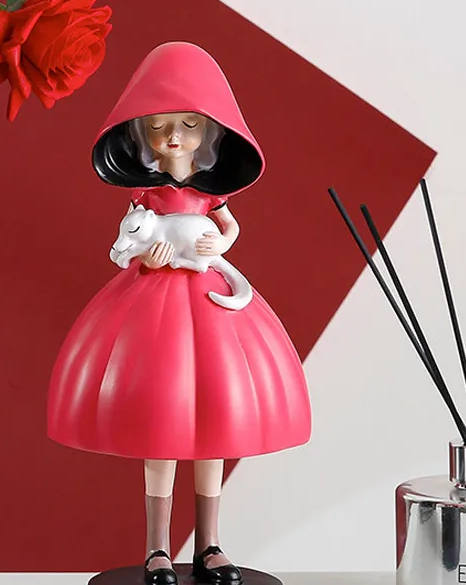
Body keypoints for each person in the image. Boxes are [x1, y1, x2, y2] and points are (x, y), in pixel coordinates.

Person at [48, 42, 311, 585]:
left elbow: (229, 227)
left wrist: (221, 246)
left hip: (209, 299)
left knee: (212, 427)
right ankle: (157, 549)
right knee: (160, 430)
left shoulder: (211, 194)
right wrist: (148, 257)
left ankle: (209, 544)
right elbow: (128, 241)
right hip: (155, 306)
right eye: (161, 126)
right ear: (142, 133)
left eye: (189, 126)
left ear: (208, 133)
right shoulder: (145, 194)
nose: (174, 138)